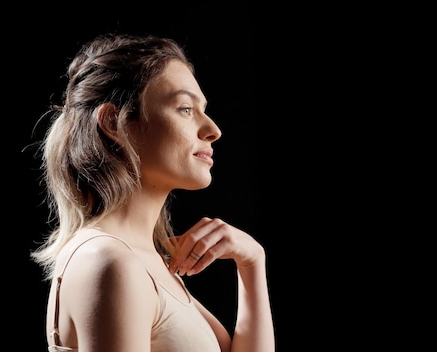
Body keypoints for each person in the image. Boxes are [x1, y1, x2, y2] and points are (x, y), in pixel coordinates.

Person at [30, 33, 275, 352]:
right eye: (186, 109)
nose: (213, 129)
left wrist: (252, 261)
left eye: (203, 109)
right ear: (114, 123)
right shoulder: (110, 262)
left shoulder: (142, 260)